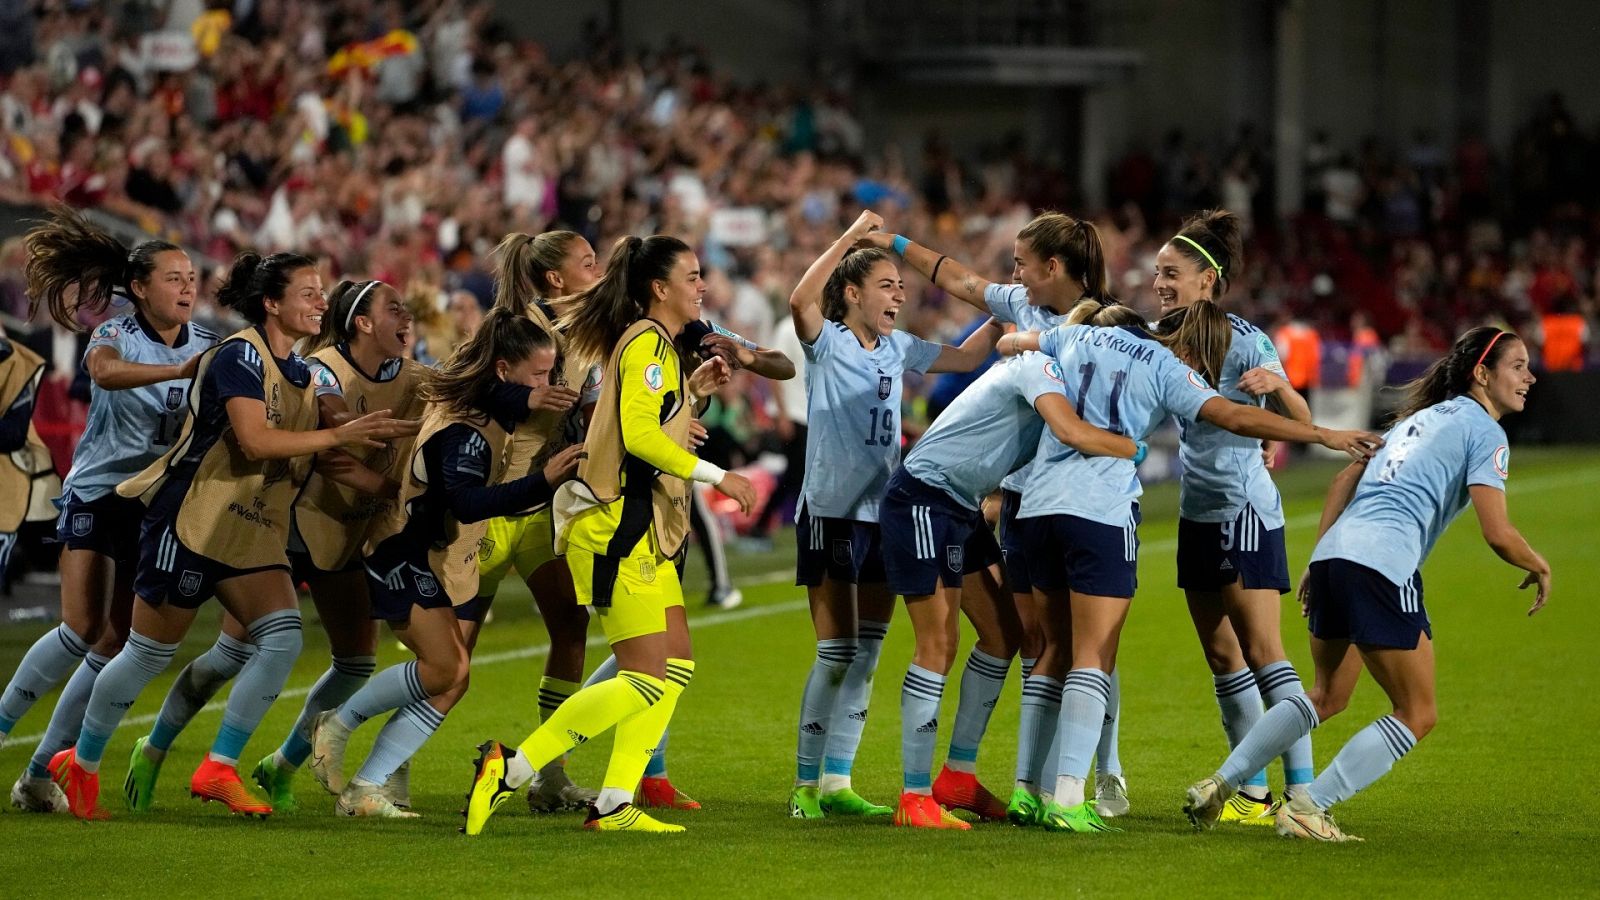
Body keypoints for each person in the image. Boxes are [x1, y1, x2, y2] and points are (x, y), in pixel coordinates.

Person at [46, 251, 412, 819]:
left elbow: (339, 419)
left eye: (321, 293)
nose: (321, 302)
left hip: (252, 527)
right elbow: (256, 441)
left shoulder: (306, 370)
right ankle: (80, 762)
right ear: (271, 303)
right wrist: (334, 438)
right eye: (308, 293)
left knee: (283, 638)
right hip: (193, 519)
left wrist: (411, 429)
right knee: (145, 652)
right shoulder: (239, 354)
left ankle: (219, 766)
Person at [1002, 300, 1382, 834]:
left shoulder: (1077, 338)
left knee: (1058, 649)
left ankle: (1029, 791)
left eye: (1169, 275)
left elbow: (1011, 345)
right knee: (1096, 654)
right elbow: (1232, 414)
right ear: (1185, 347)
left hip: (1041, 506)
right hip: (1102, 513)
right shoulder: (1164, 365)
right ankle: (1068, 798)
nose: (1161, 285)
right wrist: (1324, 435)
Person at [1184, 327, 1550, 843]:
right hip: (1382, 564)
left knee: (1326, 694)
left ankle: (1222, 782)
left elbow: (1342, 480)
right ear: (1483, 374)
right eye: (1518, 366)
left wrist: (1318, 558)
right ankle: (1312, 805)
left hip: (1335, 558)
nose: (1529, 377)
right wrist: (1537, 563)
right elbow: (1498, 532)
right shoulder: (1486, 432)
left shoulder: (1415, 421)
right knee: (1418, 713)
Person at [462, 235, 755, 835]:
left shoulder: (659, 347)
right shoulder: (646, 342)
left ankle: (616, 801)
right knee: (646, 676)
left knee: (675, 668)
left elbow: (639, 424)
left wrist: (692, 391)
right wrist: (720, 476)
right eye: (693, 276)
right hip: (615, 525)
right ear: (659, 288)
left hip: (638, 524)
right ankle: (512, 768)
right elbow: (640, 436)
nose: (703, 287)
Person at [864, 211, 1136, 819]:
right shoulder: (1030, 323)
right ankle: (913, 793)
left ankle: (961, 776)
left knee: (1021, 636)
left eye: (1020, 262)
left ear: (1054, 267)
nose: (1010, 276)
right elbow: (957, 279)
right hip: (952, 493)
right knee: (950, 640)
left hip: (975, 498)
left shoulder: (1098, 332)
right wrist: (894, 242)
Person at [309, 309, 583, 818]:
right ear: (503, 370)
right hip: (403, 553)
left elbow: (498, 396)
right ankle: (339, 723)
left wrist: (529, 396)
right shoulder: (468, 430)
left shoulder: (483, 398)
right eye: (539, 375)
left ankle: (369, 786)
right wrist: (544, 480)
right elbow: (467, 502)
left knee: (453, 678)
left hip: (431, 553)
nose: (548, 385)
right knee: (447, 667)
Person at [0, 209, 219, 814]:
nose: (187, 288)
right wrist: (180, 372)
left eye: (192, 278)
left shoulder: (209, 342)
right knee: (80, 629)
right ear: (141, 287)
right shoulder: (114, 335)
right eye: (173, 278)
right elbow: (104, 373)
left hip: (155, 505)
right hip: (100, 492)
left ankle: (41, 772)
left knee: (114, 643)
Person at [786, 211, 999, 820]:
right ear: (852, 294)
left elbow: (963, 359)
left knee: (870, 650)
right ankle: (804, 787)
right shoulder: (825, 341)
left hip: (884, 514)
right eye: (886, 285)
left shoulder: (899, 347)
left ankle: (837, 780)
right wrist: (853, 237)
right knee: (835, 651)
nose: (899, 294)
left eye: (901, 287)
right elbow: (801, 296)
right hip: (831, 512)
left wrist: (1011, 307)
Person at [1155, 209, 1318, 822]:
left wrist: (1276, 388)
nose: (1161, 283)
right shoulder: (1161, 335)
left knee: (1265, 652)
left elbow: (1299, 419)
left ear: (1207, 280)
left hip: (1243, 510)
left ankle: (1304, 795)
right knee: (1223, 657)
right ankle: (1251, 796)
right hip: (1196, 512)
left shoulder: (1246, 338)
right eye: (1157, 274)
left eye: (1172, 273)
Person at [473, 230, 604, 814]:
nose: (596, 271)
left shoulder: (584, 335)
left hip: (541, 509)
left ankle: (550, 776)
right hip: (489, 503)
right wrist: (524, 402)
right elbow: (467, 391)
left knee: (571, 631)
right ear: (556, 278)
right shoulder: (514, 327)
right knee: (448, 662)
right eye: (586, 263)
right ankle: (384, 774)